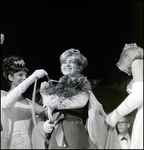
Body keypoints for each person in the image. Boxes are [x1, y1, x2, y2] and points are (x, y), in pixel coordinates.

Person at [40, 48, 108, 149]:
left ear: (79, 68)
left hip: (74, 128)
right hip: (57, 129)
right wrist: (46, 124)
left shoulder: (83, 83)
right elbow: (49, 110)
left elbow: (79, 102)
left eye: (71, 62)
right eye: (64, 62)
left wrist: (47, 97)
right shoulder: (57, 87)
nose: (67, 65)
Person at [1, 55, 48, 149]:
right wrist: (33, 77)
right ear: (10, 77)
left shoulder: (30, 103)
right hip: (8, 144)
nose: (25, 78)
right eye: (20, 75)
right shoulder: (2, 95)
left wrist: (46, 96)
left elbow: (51, 114)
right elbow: (6, 103)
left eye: (26, 75)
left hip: (27, 145)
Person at [106, 43, 143, 149]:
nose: (128, 74)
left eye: (127, 69)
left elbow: (139, 94)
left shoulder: (137, 61)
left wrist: (114, 116)